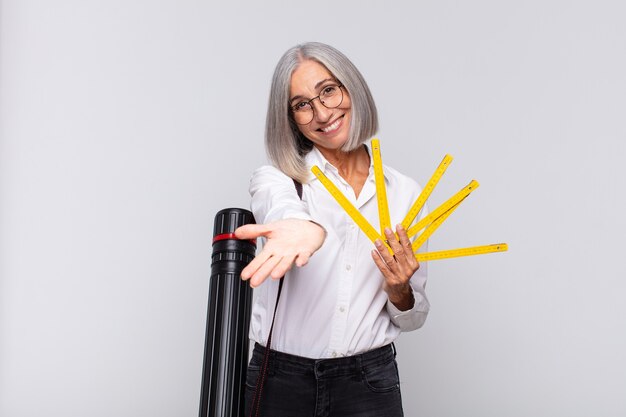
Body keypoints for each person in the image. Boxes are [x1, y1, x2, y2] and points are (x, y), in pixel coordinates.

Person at [235, 42, 430, 417]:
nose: (322, 112)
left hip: (368, 382)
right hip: (280, 380)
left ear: (351, 88)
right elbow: (280, 206)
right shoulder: (279, 179)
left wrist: (399, 290)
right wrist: (301, 228)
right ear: (290, 119)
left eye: (328, 90)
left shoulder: (406, 194)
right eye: (301, 104)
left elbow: (414, 316)